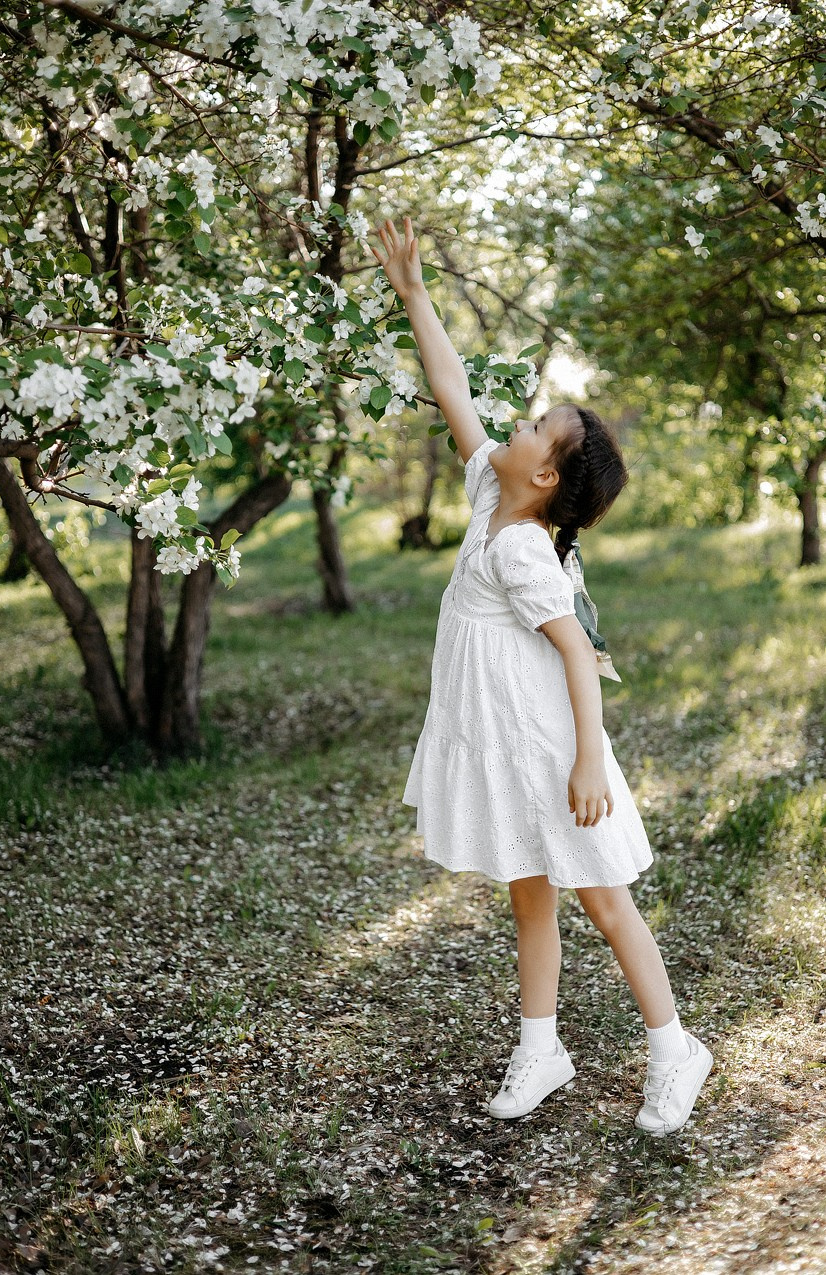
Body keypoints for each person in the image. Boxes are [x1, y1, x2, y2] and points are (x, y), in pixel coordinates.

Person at [368, 215, 713, 1137]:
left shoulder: (523, 548)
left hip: (551, 740)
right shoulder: (492, 488)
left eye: (534, 427)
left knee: (603, 898)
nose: (514, 425)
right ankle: (541, 1044)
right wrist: (414, 292)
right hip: (502, 734)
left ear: (548, 476)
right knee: (528, 887)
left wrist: (590, 761)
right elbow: (452, 389)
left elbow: (573, 655)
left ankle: (676, 1045)